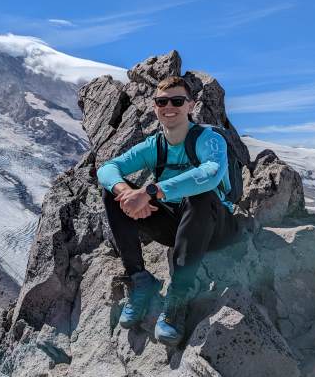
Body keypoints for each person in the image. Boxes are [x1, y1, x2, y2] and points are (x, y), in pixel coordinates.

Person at [96, 75, 237, 346]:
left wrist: (150, 191)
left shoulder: (209, 140)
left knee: (200, 195)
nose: (169, 106)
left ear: (191, 105)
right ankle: (139, 279)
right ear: (154, 107)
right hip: (180, 227)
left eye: (177, 100)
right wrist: (125, 193)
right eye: (162, 101)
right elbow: (107, 168)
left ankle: (178, 298)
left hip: (217, 227)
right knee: (112, 193)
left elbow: (209, 175)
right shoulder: (155, 145)